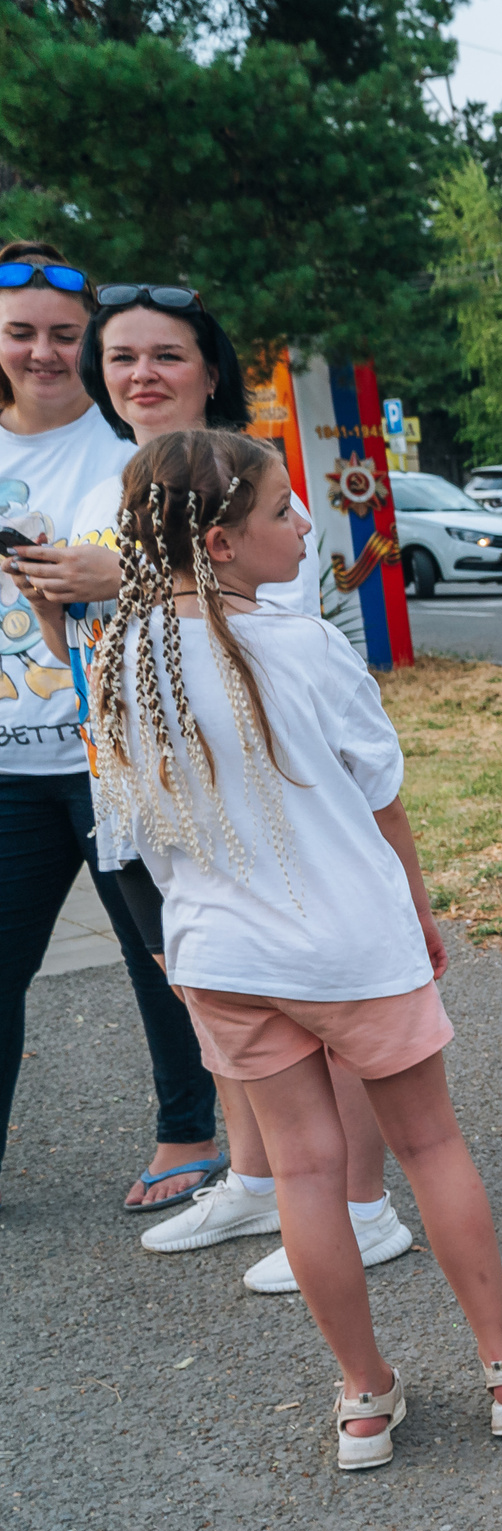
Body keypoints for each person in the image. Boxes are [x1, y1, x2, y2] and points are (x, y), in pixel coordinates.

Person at [92, 428, 502, 1470]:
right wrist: (420, 914)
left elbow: (129, 831)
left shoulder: (123, 656)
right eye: (280, 510)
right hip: (349, 941)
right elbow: (380, 795)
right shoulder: (301, 645)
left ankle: (363, 1399)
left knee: (302, 1172)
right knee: (428, 1147)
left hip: (222, 955)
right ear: (220, 542)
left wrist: (175, 945)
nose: (304, 524)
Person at [9, 286, 407, 1279]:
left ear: (210, 370)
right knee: (213, 994)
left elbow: (281, 622)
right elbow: (86, 659)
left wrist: (122, 578)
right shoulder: (103, 488)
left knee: (324, 1001)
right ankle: (260, 1181)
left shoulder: (257, 482)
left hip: (265, 797)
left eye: (167, 356)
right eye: (121, 357)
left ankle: (360, 1205)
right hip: (139, 797)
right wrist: (57, 600)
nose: (141, 375)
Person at [0, 244, 220, 1203]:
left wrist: (112, 573)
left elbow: (234, 577)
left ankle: (192, 1133)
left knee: (168, 954)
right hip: (8, 762)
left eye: (64, 335)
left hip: (116, 755)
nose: (43, 353)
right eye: (21, 333)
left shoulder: (134, 436)